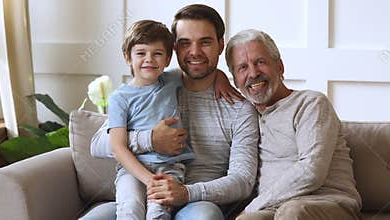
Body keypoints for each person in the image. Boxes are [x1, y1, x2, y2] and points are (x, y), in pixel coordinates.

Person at [86, 4, 259, 220]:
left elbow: (242, 181)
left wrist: (185, 193)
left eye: (205, 42)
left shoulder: (240, 110)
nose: (195, 52)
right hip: (143, 194)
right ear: (174, 49)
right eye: (185, 43)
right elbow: (98, 144)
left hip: (197, 203)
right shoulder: (153, 85)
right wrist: (150, 140)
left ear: (220, 45)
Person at [225, 29, 362, 220]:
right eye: (242, 68)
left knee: (292, 212)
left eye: (260, 62)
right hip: (273, 208)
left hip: (326, 202)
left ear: (280, 66)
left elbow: (311, 171)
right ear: (235, 79)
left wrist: (251, 207)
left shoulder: (311, 103)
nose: (253, 73)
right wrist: (217, 79)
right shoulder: (246, 117)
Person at [108, 20, 197, 220]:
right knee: (130, 209)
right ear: (127, 57)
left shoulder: (172, 79)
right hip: (131, 170)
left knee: (158, 212)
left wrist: (223, 80)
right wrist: (149, 180)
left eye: (157, 54)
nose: (149, 59)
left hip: (169, 167)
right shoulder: (119, 98)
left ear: (167, 59)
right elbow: (117, 147)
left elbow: (200, 71)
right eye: (141, 53)